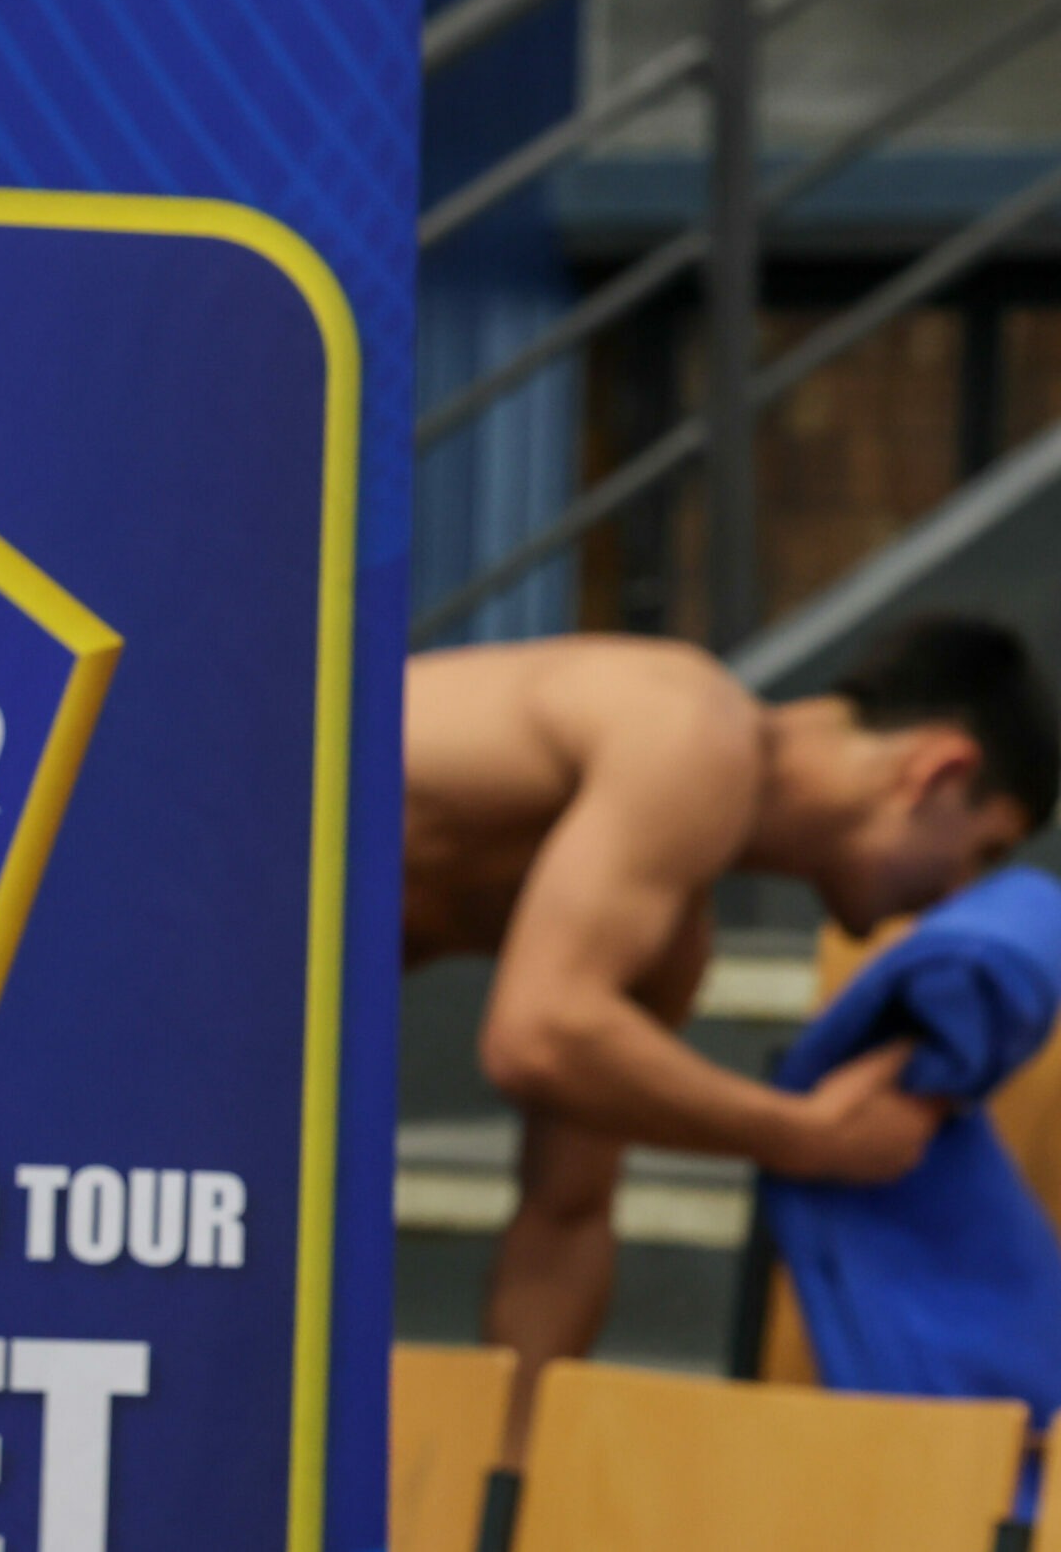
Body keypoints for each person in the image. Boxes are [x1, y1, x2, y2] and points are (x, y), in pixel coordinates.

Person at [404, 617, 1059, 1448]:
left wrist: (512, 1475)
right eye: (983, 852)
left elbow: (563, 1217)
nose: (952, 898)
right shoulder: (688, 726)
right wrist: (808, 1135)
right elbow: (538, 1034)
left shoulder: (666, 938)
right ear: (936, 771)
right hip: (233, 844)